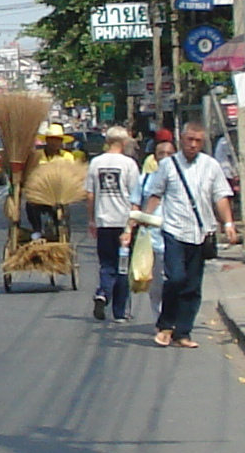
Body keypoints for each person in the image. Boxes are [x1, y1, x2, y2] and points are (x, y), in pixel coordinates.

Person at [132, 125, 236, 348]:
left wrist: (228, 223)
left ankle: (183, 332)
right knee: (176, 278)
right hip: (174, 231)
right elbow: (156, 194)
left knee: (193, 286)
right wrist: (144, 219)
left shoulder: (211, 166)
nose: (193, 145)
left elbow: (220, 196)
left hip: (201, 233)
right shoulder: (169, 166)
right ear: (181, 139)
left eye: (198, 141)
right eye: (189, 140)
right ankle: (166, 323)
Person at [86, 126, 139, 324]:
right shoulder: (129, 164)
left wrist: (92, 220)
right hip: (124, 222)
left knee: (107, 263)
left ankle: (103, 292)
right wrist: (132, 223)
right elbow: (135, 196)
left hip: (103, 220)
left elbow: (90, 195)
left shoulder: (95, 163)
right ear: (124, 143)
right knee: (123, 266)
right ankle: (119, 311)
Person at [20, 124, 87, 243]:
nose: (54, 143)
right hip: (39, 195)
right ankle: (37, 231)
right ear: (46, 140)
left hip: (59, 195)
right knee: (30, 205)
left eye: (57, 140)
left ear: (61, 141)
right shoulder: (37, 156)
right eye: (51, 140)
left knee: (61, 213)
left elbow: (71, 175)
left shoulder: (67, 156)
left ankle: (61, 234)